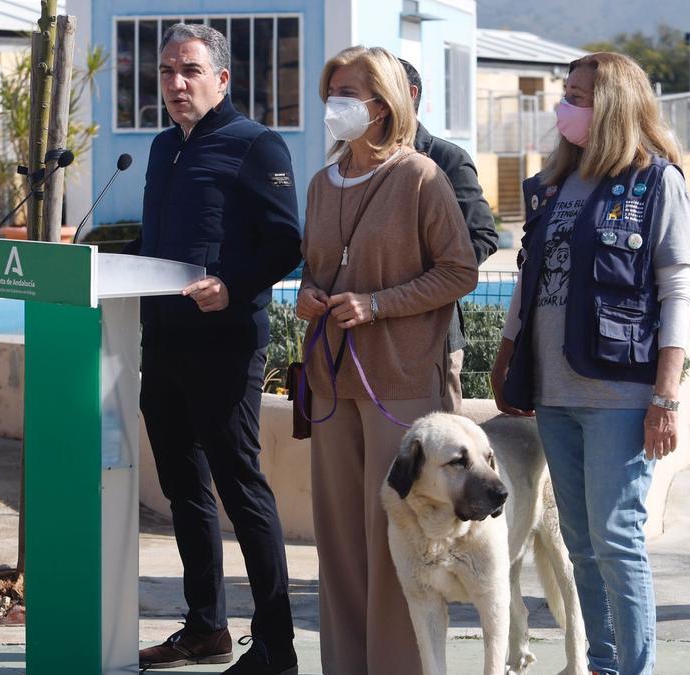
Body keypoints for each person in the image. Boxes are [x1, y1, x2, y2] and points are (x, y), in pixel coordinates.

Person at [489, 52, 690, 674]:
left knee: (616, 540)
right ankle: (602, 663)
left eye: (579, 95)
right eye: (566, 92)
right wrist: (505, 351)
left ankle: (632, 668)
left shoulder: (657, 182)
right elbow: (529, 279)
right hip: (553, 392)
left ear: (613, 105)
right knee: (580, 545)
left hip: (620, 394)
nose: (565, 107)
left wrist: (665, 397)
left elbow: (675, 290)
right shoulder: (555, 184)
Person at [295, 46, 478, 675]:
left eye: (350, 91)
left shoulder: (422, 177)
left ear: (384, 103)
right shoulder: (321, 183)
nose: (336, 104)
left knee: (400, 539)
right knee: (340, 541)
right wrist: (308, 295)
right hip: (329, 382)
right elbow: (312, 266)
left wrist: (377, 305)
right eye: (332, 90)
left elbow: (460, 271)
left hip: (400, 383)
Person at [131, 23, 302, 674]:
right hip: (163, 342)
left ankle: (277, 647)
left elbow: (287, 243)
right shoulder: (158, 148)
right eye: (167, 71)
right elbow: (158, 244)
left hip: (226, 346)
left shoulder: (256, 145)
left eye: (190, 70)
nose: (176, 83)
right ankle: (205, 626)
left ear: (222, 78)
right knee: (184, 489)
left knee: (242, 488)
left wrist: (233, 286)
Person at [398, 58, 499, 412]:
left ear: (409, 95)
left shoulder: (447, 159)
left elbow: (482, 236)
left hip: (433, 333)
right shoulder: (348, 165)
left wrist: (420, 281)